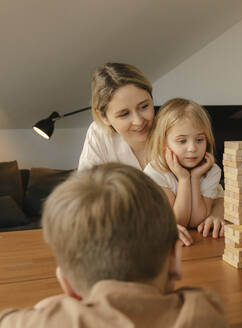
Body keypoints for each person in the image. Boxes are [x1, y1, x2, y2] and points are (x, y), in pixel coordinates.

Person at [0, 163, 228, 327]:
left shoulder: (52, 322)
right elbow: (199, 298)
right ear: (174, 258)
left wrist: (47, 308)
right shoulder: (204, 312)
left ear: (66, 283)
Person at [78, 63, 224, 243]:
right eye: (124, 114)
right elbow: (86, 203)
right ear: (104, 117)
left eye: (144, 106)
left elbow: (214, 188)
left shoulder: (171, 130)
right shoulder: (99, 136)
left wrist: (218, 213)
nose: (139, 121)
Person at [144, 98, 225, 236]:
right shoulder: (155, 172)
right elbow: (179, 221)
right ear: (163, 144)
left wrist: (194, 178)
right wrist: (183, 178)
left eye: (199, 140)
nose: (193, 148)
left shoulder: (212, 170)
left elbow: (196, 220)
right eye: (182, 141)